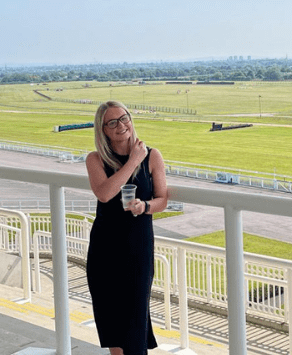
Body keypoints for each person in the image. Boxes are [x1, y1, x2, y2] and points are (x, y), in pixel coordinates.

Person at [85, 101, 168, 354]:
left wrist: (145, 206)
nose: (121, 125)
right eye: (113, 122)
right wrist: (133, 161)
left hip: (137, 249)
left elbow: (162, 199)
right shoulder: (95, 159)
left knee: (135, 324)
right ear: (104, 130)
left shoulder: (152, 155)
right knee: (112, 327)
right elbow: (104, 193)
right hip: (105, 250)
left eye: (124, 118)